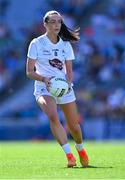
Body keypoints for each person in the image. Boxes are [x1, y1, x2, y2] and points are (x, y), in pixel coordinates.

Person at [26, 10, 89, 167]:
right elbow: (29, 72)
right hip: (43, 87)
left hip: (64, 88)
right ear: (45, 24)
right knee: (53, 116)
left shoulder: (66, 44)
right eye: (52, 22)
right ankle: (69, 156)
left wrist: (68, 85)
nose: (56, 25)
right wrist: (44, 79)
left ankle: (80, 149)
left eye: (59, 22)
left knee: (74, 126)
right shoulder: (36, 43)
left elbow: (69, 71)